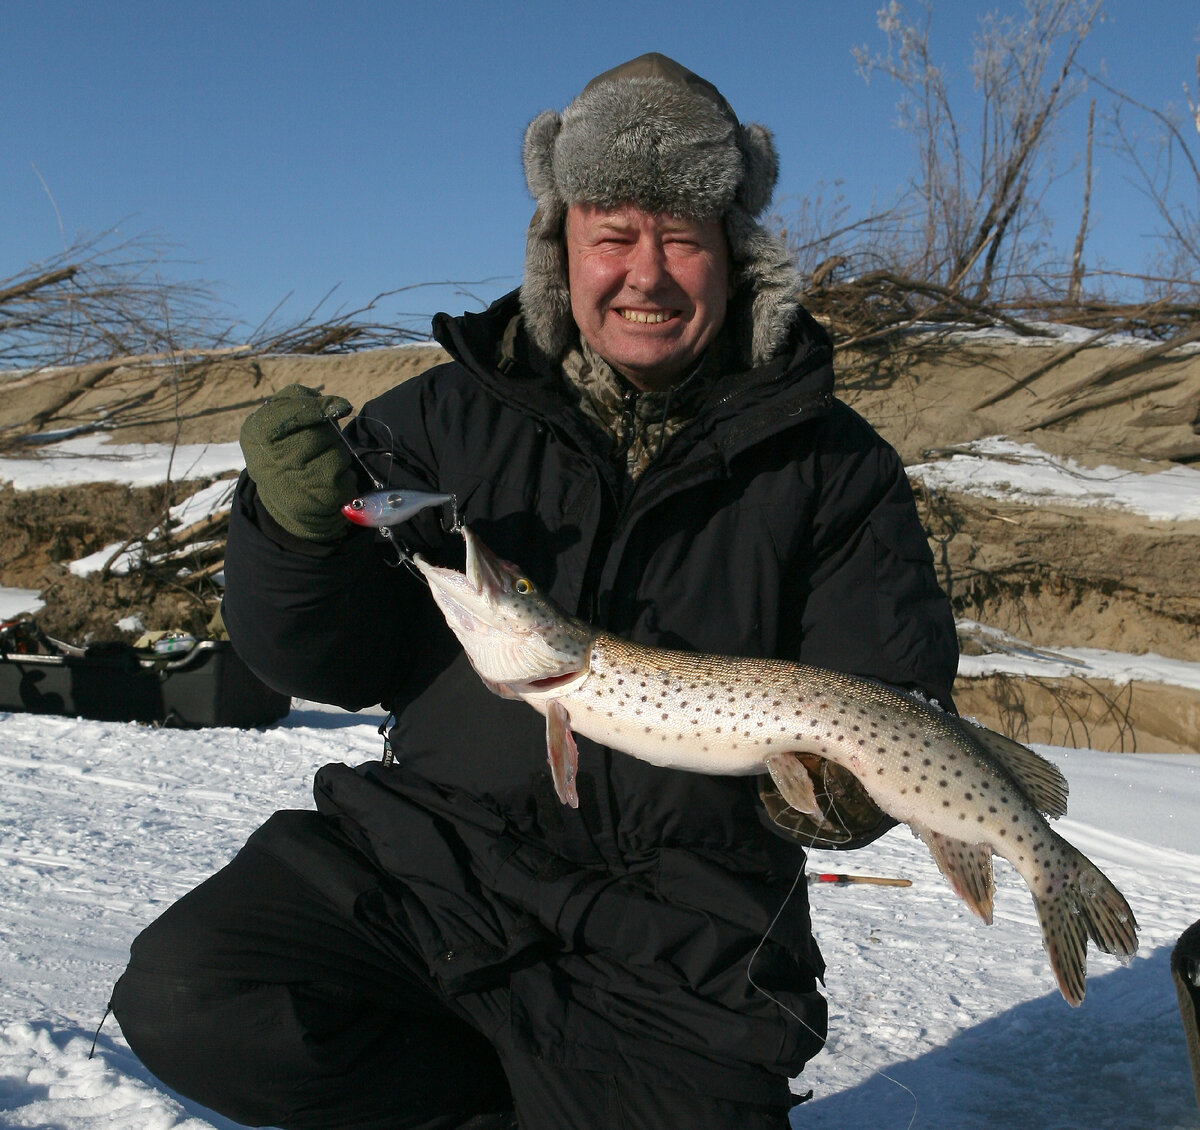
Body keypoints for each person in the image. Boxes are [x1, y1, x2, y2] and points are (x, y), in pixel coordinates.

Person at [110, 53, 958, 1129]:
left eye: (684, 237)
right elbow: (316, 661)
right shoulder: (439, 421)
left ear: (738, 257)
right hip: (430, 867)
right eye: (613, 235)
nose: (645, 274)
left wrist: (833, 801)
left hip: (680, 942)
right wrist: (292, 534)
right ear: (562, 247)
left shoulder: (837, 470)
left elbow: (888, 695)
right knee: (194, 988)